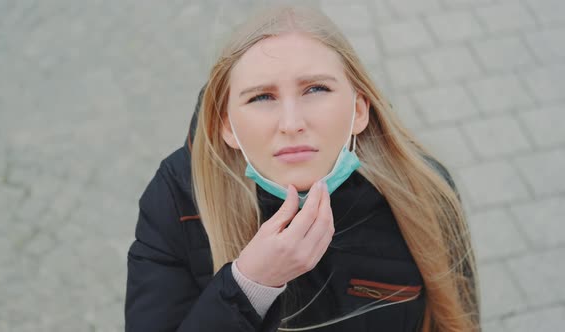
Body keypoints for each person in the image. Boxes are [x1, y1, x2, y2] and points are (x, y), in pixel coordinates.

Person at [125, 5, 480, 332]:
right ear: (227, 127)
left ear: (358, 110)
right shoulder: (177, 200)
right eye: (262, 97)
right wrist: (249, 286)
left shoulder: (422, 188)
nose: (292, 123)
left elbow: (456, 316)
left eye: (315, 89)